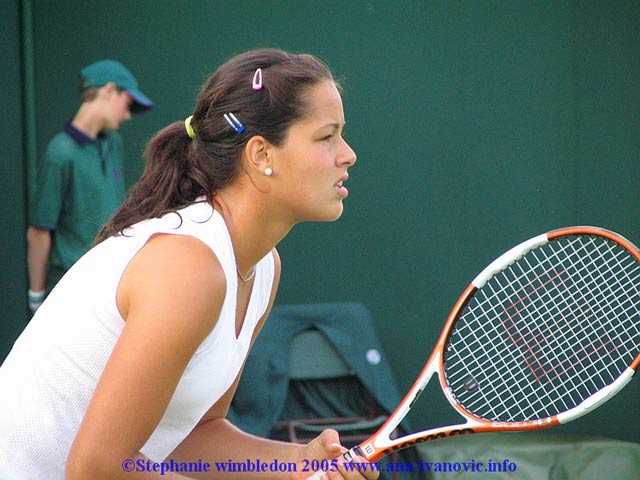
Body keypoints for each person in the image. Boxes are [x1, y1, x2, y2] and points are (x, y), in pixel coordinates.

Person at [1, 49, 378, 480]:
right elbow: (97, 468)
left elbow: (192, 434)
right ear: (261, 155)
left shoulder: (262, 269)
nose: (347, 154)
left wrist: (298, 465)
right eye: (327, 136)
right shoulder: (188, 268)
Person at [26, 59, 154, 313]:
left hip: (109, 283)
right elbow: (38, 232)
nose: (128, 115)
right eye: (127, 104)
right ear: (108, 91)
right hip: (70, 289)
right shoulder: (60, 153)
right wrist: (37, 297)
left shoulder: (112, 142)